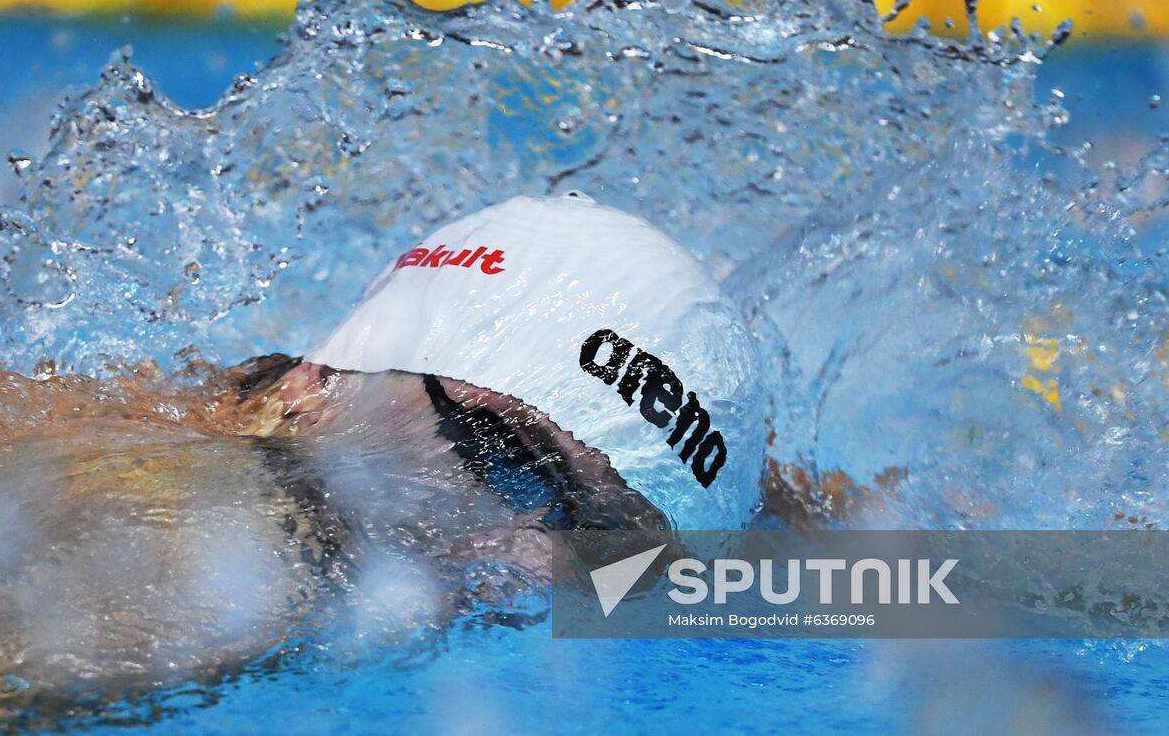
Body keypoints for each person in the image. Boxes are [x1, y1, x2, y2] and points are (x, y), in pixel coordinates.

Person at [220, 191, 767, 534]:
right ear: (317, 381)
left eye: (597, 532)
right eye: (510, 461)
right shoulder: (197, 532)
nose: (523, 553)